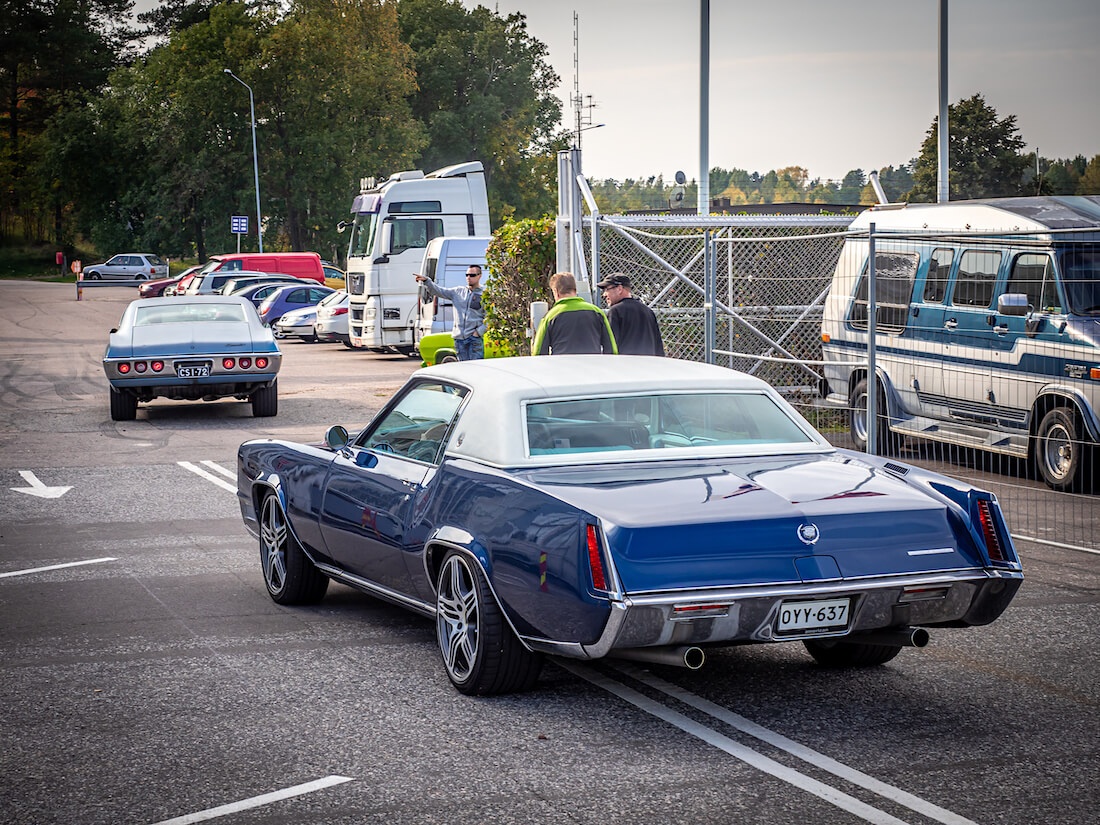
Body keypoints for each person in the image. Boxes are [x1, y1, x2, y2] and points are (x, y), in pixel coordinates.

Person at [532, 272, 617, 355]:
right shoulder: (597, 312)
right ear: (575, 290)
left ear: (556, 292)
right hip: (591, 367)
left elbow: (539, 352)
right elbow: (612, 348)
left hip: (562, 367)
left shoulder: (550, 316)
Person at [414, 265, 487, 360]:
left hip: (474, 340)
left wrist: (478, 332)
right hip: (459, 340)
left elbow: (491, 318)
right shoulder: (458, 291)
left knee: (476, 369)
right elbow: (439, 291)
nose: (469, 278)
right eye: (467, 275)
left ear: (479, 276)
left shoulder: (485, 294)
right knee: (463, 369)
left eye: (472, 275)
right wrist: (426, 281)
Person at [596, 272, 665, 356]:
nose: (604, 294)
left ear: (619, 289)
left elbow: (611, 346)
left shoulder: (615, 311)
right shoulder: (648, 311)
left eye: (607, 289)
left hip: (626, 366)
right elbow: (659, 348)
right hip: (648, 365)